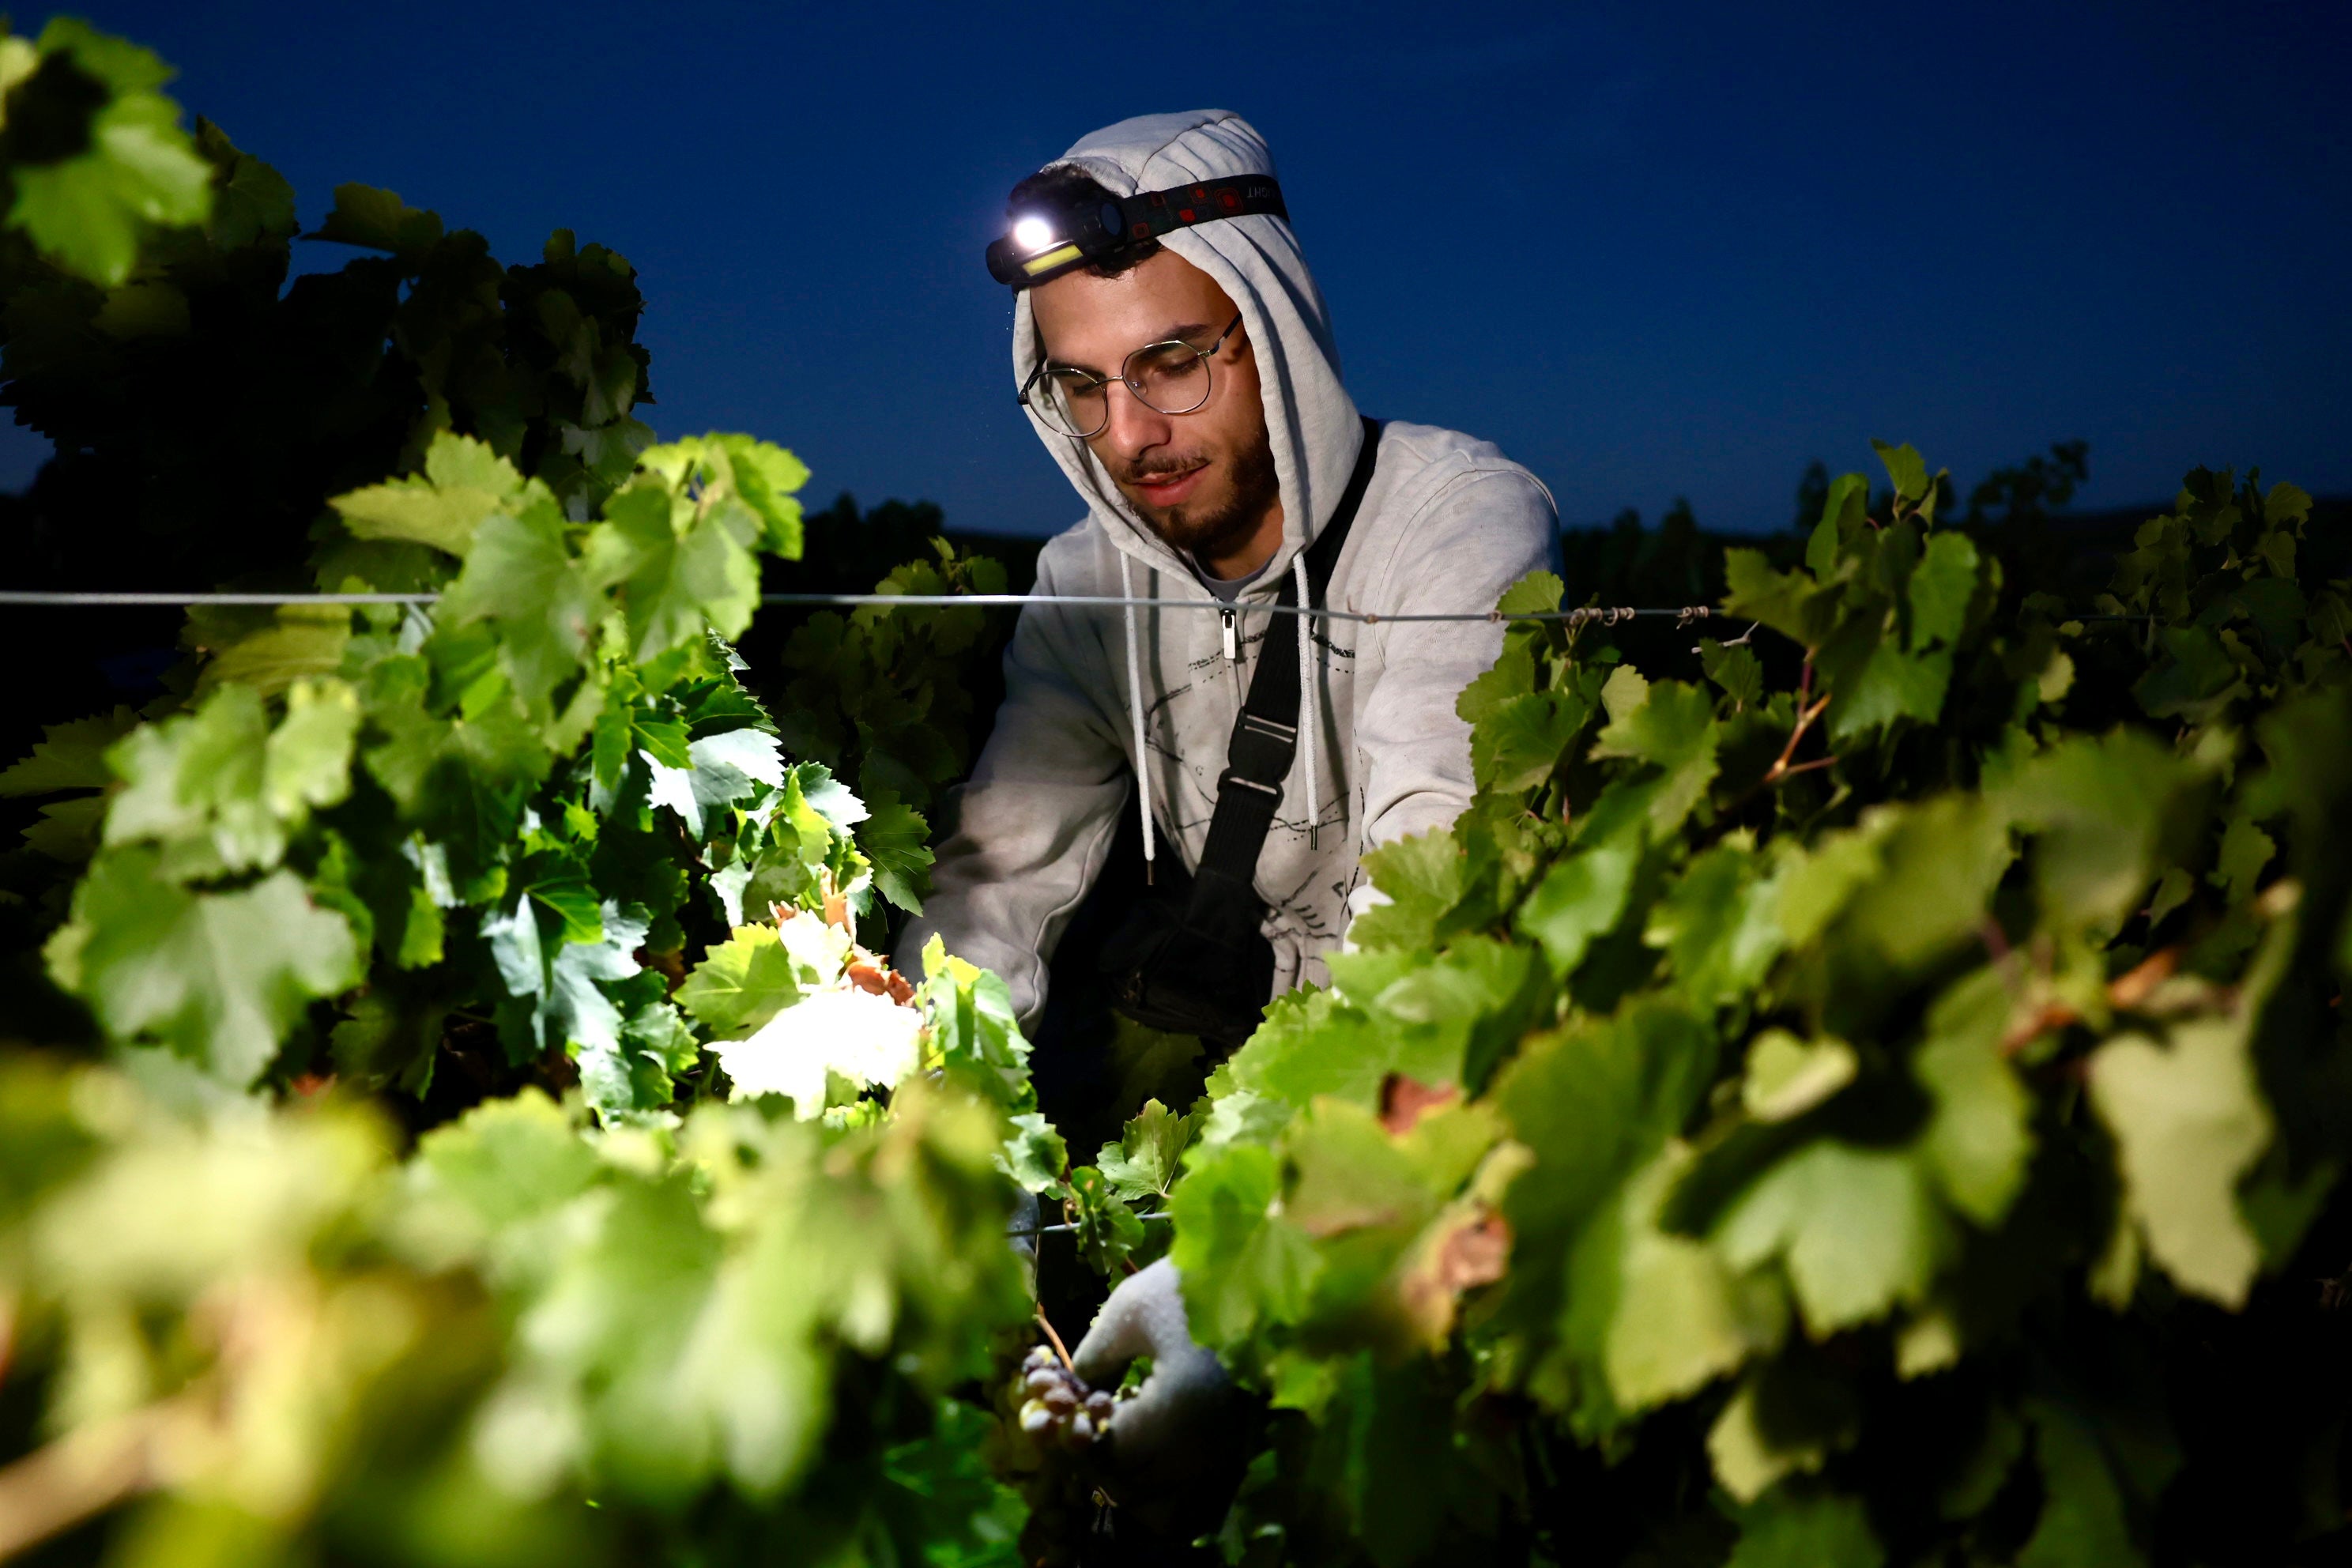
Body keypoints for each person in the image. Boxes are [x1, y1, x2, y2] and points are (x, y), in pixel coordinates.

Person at [895, 107, 1558, 1521]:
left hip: (1414, 1060)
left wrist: (1264, 1258)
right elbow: (995, 885)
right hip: (1221, 1049)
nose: (1129, 435)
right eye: (1080, 387)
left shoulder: (1458, 517)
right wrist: (935, 1160)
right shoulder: (1083, 579)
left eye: (1173, 366)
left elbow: (1425, 897)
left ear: (1279, 333)